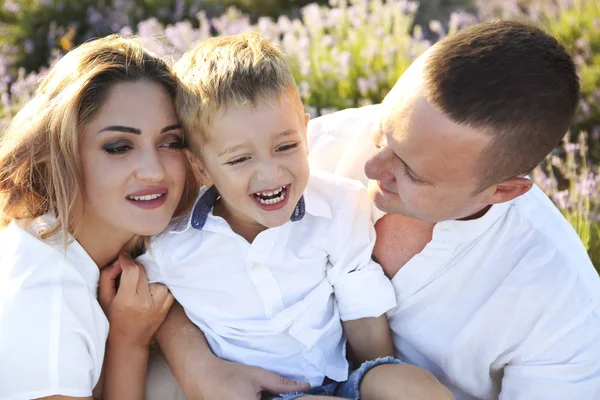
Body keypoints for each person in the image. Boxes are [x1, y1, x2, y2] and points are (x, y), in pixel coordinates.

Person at [149, 20, 600, 400]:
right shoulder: (302, 148)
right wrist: (194, 362)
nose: (369, 165)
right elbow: (162, 264)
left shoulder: (563, 308)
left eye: (412, 173)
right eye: (384, 133)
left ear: (502, 191)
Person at [138, 32, 453, 400]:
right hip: (254, 391)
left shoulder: (338, 205)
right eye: (240, 159)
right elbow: (155, 311)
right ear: (200, 166)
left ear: (305, 131)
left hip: (341, 380)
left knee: (412, 387)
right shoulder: (172, 243)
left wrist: (377, 379)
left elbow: (360, 303)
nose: (271, 174)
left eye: (286, 147)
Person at [0, 35, 199, 399]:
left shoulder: (58, 235)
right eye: (119, 147)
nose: (154, 171)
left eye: (170, 141)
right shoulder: (47, 309)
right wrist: (128, 343)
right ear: (57, 150)